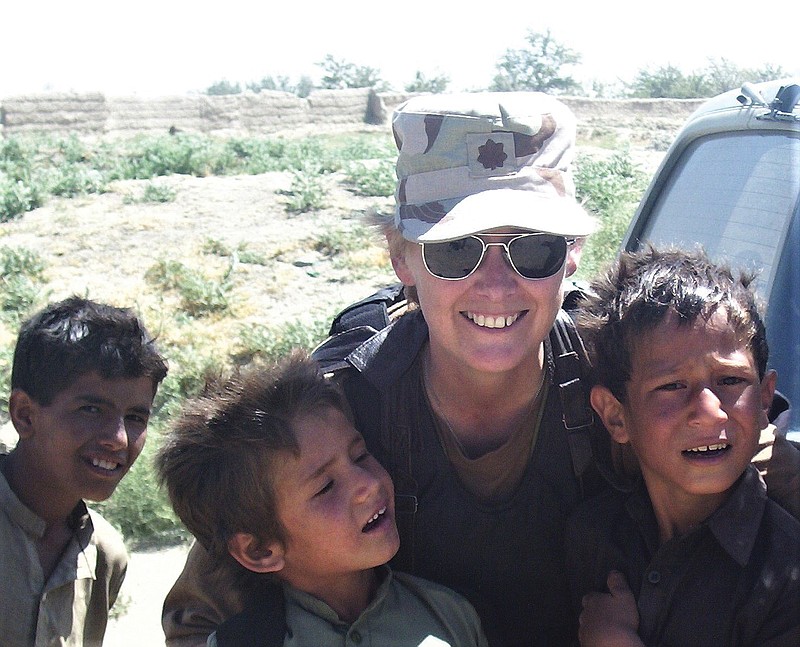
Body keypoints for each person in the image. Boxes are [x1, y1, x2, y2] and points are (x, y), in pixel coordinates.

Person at [161, 92, 798, 647]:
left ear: (571, 256)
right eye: (455, 249)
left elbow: (753, 452)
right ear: (401, 259)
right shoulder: (343, 407)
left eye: (534, 248)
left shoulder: (632, 380)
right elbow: (205, 606)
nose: (496, 285)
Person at [156, 351, 489, 647]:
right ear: (259, 550)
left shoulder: (448, 616)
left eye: (360, 456)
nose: (368, 484)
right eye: (326, 487)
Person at [565, 246, 800, 647]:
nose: (710, 413)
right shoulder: (593, 535)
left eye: (730, 381)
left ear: (764, 399)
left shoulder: (785, 572)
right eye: (672, 386)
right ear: (616, 416)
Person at [0, 295, 168, 646]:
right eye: (92, 409)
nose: (118, 439)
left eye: (135, 417)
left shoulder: (103, 557)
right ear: (25, 415)